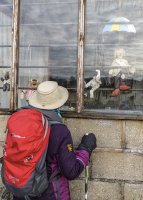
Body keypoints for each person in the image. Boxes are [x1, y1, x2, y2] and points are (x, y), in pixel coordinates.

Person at [13, 81, 97, 200]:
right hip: (50, 192)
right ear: (58, 103)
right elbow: (71, 171)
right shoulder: (59, 130)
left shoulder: (18, 121)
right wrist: (85, 148)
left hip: (20, 190)